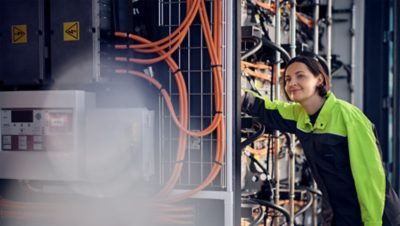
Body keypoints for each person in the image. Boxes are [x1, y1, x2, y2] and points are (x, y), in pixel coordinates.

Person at [241, 54, 400, 226]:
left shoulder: (348, 116)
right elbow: (269, 109)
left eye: (300, 76)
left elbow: (370, 177)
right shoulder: (299, 115)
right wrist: (238, 94)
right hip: (339, 216)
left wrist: (373, 222)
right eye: (288, 79)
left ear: (319, 80)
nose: (292, 83)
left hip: (375, 216)